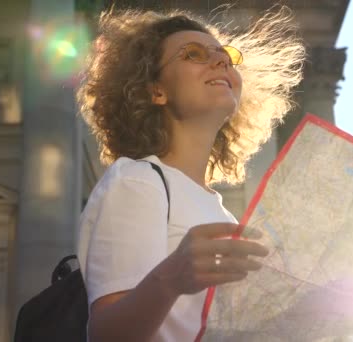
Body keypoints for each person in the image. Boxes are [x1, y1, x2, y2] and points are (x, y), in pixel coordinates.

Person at [76, 6, 305, 341]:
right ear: (156, 90)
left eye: (225, 55)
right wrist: (170, 278)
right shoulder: (137, 180)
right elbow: (105, 335)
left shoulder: (221, 211)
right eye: (194, 54)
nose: (222, 61)